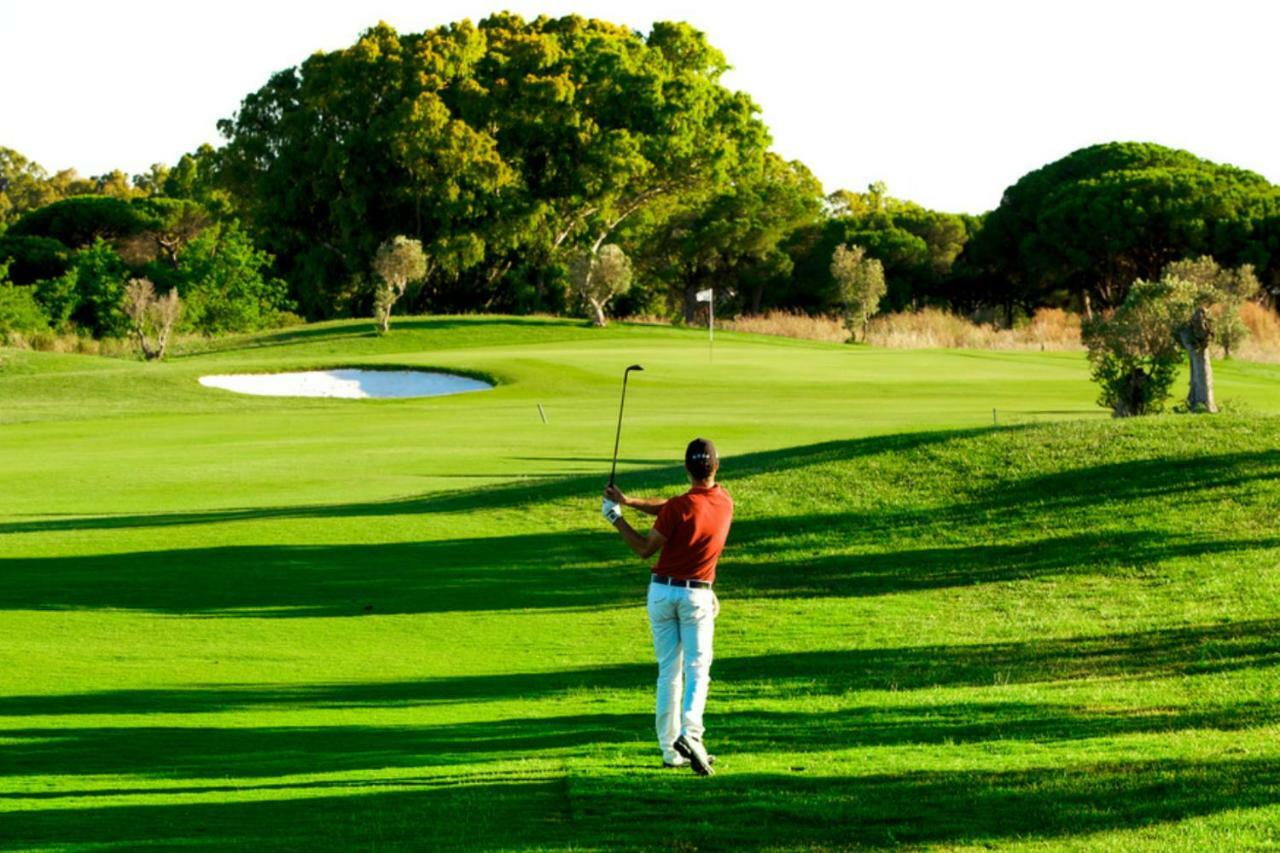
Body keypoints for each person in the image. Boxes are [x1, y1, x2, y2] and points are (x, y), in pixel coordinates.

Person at [602, 437, 733, 776]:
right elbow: (672, 508)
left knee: (669, 673)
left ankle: (670, 750)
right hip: (696, 597)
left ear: (687, 469)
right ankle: (691, 736)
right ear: (715, 467)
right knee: (698, 668)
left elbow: (646, 547)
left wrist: (616, 517)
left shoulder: (679, 507)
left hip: (661, 594)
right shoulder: (724, 502)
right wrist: (629, 502)